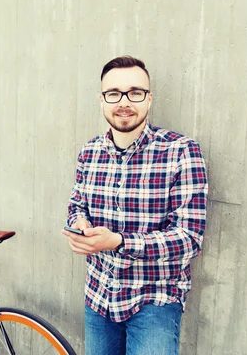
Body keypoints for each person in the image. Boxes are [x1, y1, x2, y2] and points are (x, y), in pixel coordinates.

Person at [62, 56, 208, 355]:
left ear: (149, 98)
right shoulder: (89, 153)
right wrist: (80, 225)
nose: (124, 102)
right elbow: (76, 204)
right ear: (102, 100)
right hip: (98, 294)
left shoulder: (181, 151)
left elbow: (189, 240)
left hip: (154, 299)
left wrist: (119, 242)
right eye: (113, 93)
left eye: (135, 92)